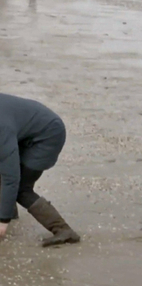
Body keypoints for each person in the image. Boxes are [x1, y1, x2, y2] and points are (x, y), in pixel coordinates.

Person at [0, 93, 81, 246]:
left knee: (21, 189)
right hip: (24, 130)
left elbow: (11, 178)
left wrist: (2, 222)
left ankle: (63, 230)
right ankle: (9, 211)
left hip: (47, 135)